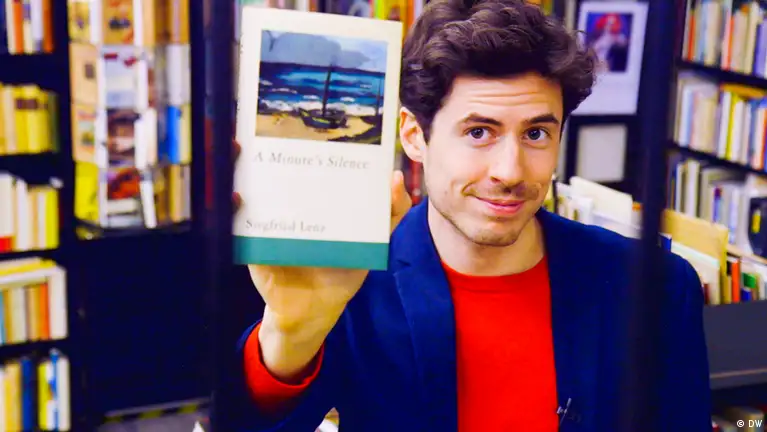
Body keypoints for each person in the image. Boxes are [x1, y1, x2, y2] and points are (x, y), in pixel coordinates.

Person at [233, 0, 711, 430]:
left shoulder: (656, 286)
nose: (510, 171)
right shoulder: (350, 279)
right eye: (479, 132)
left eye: (536, 134)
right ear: (414, 136)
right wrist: (291, 334)